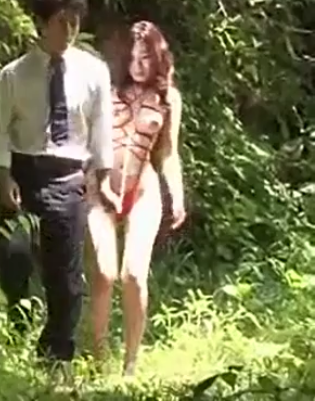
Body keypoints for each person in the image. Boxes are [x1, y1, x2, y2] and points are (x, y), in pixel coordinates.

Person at [0, 0, 118, 378]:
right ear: (41, 23)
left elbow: (102, 130)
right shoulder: (14, 75)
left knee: (65, 277)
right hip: (25, 173)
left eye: (75, 21)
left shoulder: (93, 72)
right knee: (13, 256)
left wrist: (102, 178)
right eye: (61, 21)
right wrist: (4, 176)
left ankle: (56, 357)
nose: (69, 29)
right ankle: (18, 323)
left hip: (68, 176)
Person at [86, 20, 186, 377]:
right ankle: (97, 359)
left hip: (143, 189)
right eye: (132, 57)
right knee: (104, 272)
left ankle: (130, 365)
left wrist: (177, 194)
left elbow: (168, 152)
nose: (138, 65)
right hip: (100, 188)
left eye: (145, 57)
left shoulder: (168, 99)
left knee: (133, 275)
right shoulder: (107, 88)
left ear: (157, 57)